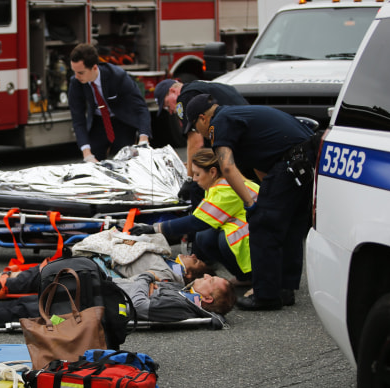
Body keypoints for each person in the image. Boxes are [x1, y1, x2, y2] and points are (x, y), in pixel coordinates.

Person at [185, 93, 318, 311]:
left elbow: (227, 167)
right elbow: (261, 162)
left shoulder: (220, 122)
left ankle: (266, 295)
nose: (198, 132)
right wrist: (269, 197)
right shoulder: (239, 115)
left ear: (202, 118)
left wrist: (251, 205)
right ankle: (285, 289)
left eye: (195, 126)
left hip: (290, 164)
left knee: (263, 225)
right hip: (305, 161)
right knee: (291, 226)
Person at [0, 257, 233, 329]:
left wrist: (144, 278)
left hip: (90, 312)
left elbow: (140, 306)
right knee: (34, 299)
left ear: (206, 299)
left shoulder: (182, 307)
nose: (206, 276)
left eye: (210, 281)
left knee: (25, 313)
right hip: (97, 298)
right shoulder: (181, 296)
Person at [130, 148, 258, 285]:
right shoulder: (221, 185)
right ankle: (244, 277)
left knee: (223, 239)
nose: (194, 179)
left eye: (197, 174)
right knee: (205, 237)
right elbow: (200, 218)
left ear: (213, 172)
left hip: (260, 231)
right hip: (253, 225)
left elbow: (197, 221)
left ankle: (255, 277)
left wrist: (155, 229)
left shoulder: (226, 190)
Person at [152, 78, 248, 208]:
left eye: (167, 105)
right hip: (247, 139)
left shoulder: (185, 97)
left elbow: (196, 143)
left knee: (198, 187)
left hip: (235, 144)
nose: (170, 111)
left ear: (173, 91)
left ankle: (203, 224)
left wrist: (190, 178)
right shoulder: (211, 87)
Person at [0, 250, 208, 295]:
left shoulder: (167, 275)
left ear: (188, 275)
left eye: (197, 263)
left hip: (103, 274)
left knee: (47, 276)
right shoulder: (166, 260)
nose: (193, 256)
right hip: (101, 264)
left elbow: (134, 283)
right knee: (45, 269)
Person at [68, 43, 151, 163]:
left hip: (121, 121)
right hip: (98, 122)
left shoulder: (118, 76)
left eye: (80, 72)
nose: (76, 76)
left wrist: (143, 138)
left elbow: (140, 108)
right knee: (92, 165)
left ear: (94, 68)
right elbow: (78, 118)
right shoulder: (76, 82)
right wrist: (87, 153)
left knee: (125, 164)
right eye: (74, 71)